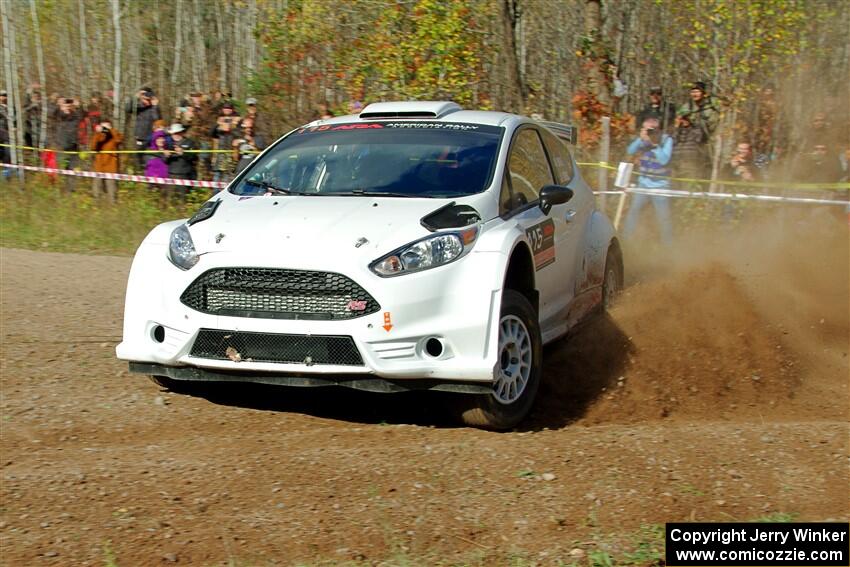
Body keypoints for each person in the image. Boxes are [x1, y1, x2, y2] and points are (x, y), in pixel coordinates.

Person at [623, 117, 674, 245]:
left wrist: (656, 145)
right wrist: (640, 139)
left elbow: (664, 160)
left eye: (652, 130)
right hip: (643, 184)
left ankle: (669, 247)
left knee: (664, 219)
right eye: (646, 130)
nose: (649, 133)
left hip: (661, 186)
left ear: (658, 130)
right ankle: (625, 242)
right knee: (633, 212)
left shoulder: (667, 140)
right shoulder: (643, 140)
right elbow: (630, 151)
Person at [51, 97, 85, 192]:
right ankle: (57, 189)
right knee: (60, 168)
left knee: (72, 169)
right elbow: (52, 114)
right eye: (66, 103)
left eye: (69, 103)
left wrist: (79, 106)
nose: (68, 105)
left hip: (73, 146)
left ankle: (70, 190)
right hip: (61, 146)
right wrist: (59, 107)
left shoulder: (75, 115)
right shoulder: (58, 115)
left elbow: (82, 116)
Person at [125, 87, 161, 172]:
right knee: (138, 157)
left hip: (151, 137)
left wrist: (155, 106)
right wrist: (135, 97)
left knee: (150, 158)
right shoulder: (139, 107)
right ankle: (139, 172)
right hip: (139, 136)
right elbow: (128, 109)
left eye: (146, 94)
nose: (145, 96)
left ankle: (149, 173)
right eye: (143, 94)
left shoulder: (154, 107)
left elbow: (158, 120)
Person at [163, 123, 198, 203]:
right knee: (169, 198)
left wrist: (183, 153)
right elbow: (165, 161)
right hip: (171, 175)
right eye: (173, 134)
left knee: (183, 199)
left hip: (184, 175)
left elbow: (194, 158)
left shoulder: (190, 142)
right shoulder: (169, 144)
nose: (175, 135)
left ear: (182, 132)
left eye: (177, 133)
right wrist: (166, 156)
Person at [90, 120, 123, 203]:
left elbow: (119, 140)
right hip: (99, 165)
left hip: (111, 165)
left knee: (111, 188)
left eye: (106, 127)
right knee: (96, 187)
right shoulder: (99, 136)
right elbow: (93, 147)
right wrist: (97, 133)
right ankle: (95, 204)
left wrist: (110, 130)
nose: (104, 129)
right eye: (102, 127)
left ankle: (112, 206)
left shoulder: (113, 135)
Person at [210, 102, 241, 183]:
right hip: (219, 153)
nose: (227, 110)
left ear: (232, 109)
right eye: (225, 108)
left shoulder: (237, 119)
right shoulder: (219, 118)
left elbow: (239, 134)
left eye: (229, 108)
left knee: (227, 178)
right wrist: (218, 124)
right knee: (216, 178)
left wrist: (231, 126)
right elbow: (211, 134)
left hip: (231, 153)